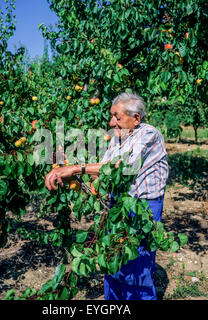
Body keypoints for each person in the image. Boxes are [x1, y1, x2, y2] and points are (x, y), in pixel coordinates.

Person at [45, 92, 169, 300]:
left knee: (136, 270)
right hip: (117, 204)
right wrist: (69, 172)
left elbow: (121, 166)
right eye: (111, 116)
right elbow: (102, 174)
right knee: (112, 262)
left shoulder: (149, 134)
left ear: (136, 118)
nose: (112, 122)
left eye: (117, 117)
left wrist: (75, 169)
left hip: (143, 207)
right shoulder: (118, 138)